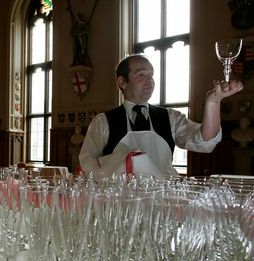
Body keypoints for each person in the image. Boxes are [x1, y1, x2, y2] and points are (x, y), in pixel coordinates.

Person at [79, 54, 244, 174]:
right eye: (141, 75)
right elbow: (88, 163)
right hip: (119, 206)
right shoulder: (103, 122)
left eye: (151, 75)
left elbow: (204, 141)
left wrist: (213, 103)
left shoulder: (170, 117)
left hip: (162, 205)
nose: (150, 80)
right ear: (122, 82)